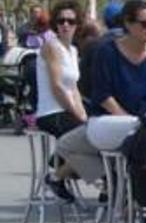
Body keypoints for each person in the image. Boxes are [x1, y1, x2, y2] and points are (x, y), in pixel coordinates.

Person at [54, 0, 146, 190]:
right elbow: (103, 95)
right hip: (112, 120)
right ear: (128, 24)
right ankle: (114, 181)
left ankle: (115, 183)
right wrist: (131, 120)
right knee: (66, 146)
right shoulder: (108, 52)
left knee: (67, 146)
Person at [36, 1, 87, 203]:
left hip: (67, 110)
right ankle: (57, 175)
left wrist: (83, 115)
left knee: (96, 134)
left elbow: (73, 87)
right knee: (91, 140)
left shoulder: (73, 51)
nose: (65, 25)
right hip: (51, 112)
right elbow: (57, 87)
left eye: (71, 21)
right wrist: (76, 114)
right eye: (61, 21)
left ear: (77, 24)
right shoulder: (51, 47)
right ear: (55, 24)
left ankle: (57, 165)